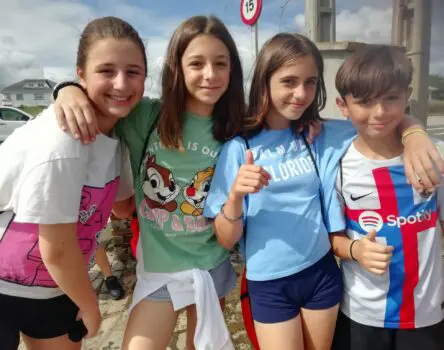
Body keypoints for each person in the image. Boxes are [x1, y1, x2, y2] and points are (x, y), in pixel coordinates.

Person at [203, 33, 443, 350]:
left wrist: (414, 133)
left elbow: (378, 119)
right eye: (289, 81)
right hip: (269, 282)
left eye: (311, 82)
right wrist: (235, 195)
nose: (301, 93)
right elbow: (225, 238)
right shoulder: (239, 147)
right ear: (265, 81)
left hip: (321, 275)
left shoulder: (320, 133)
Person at [52, 15, 246, 350]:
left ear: (233, 70)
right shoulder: (148, 116)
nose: (210, 74)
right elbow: (103, 104)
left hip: (210, 267)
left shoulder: (237, 127)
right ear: (177, 68)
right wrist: (66, 90)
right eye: (197, 63)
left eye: (220, 63)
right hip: (159, 269)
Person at [0, 16, 144, 350]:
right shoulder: (64, 139)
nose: (121, 84)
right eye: (106, 71)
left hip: (57, 287)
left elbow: (122, 207)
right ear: (81, 74)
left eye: (133, 72)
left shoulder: (115, 140)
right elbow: (57, 248)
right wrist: (92, 306)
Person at [330, 45, 444, 350]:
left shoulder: (433, 155)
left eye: (391, 98)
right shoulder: (338, 164)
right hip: (361, 313)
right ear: (343, 106)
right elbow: (331, 238)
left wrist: (414, 132)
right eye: (365, 102)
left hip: (426, 311)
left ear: (406, 96)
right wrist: (356, 250)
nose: (379, 112)